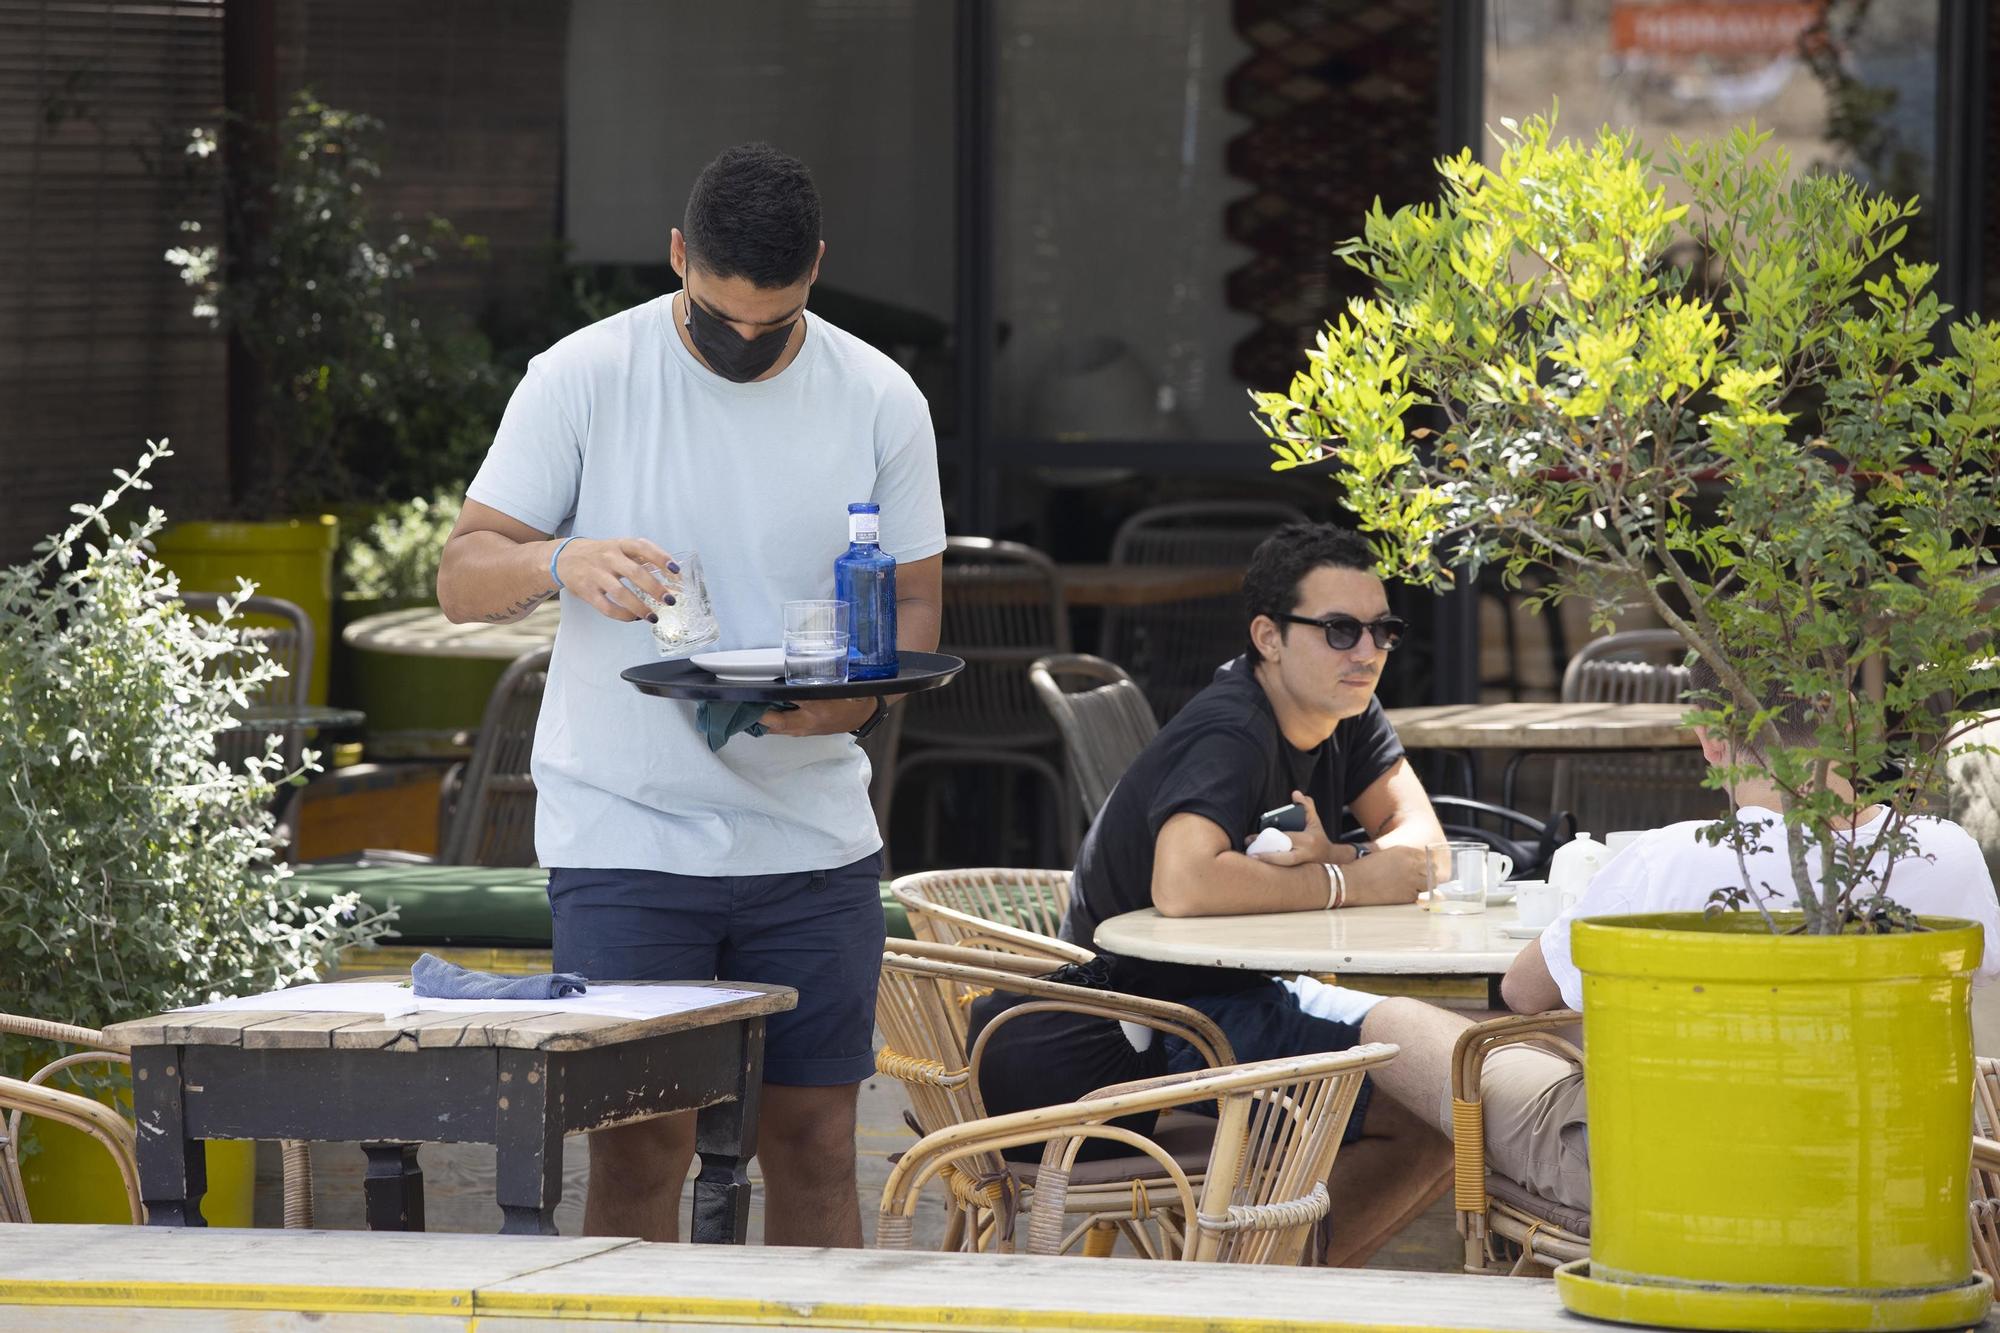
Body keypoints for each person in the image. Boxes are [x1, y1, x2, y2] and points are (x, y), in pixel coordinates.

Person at [437, 143, 945, 1246]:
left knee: (814, 1142)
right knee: (641, 1143)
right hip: (626, 828)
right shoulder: (582, 374)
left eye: (773, 322)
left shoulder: (878, 396)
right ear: (677, 257)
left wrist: (850, 707)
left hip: (810, 835)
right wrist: (556, 560)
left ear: (815, 267)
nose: (744, 343)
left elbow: (912, 615)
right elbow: (462, 569)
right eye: (719, 318)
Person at [1355, 655, 2000, 1216]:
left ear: (1711, 740)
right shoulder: (1949, 853)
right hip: (1901, 1173)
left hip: (1672, 1181)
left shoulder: (1675, 857)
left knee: (1393, 1022)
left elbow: (1523, 994)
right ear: (1852, 724)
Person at [974, 522, 1454, 1266]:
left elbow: (1426, 848)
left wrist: (1339, 854)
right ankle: (1265, 1286)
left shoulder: (1346, 710)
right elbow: (1186, 880)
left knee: (1460, 1055)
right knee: (1437, 1102)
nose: (1367, 652)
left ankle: (1267, 1280)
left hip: (1245, 992)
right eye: (1338, 629)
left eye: (1381, 630)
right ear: (1268, 635)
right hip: (1147, 1024)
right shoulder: (1232, 729)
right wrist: (1344, 875)